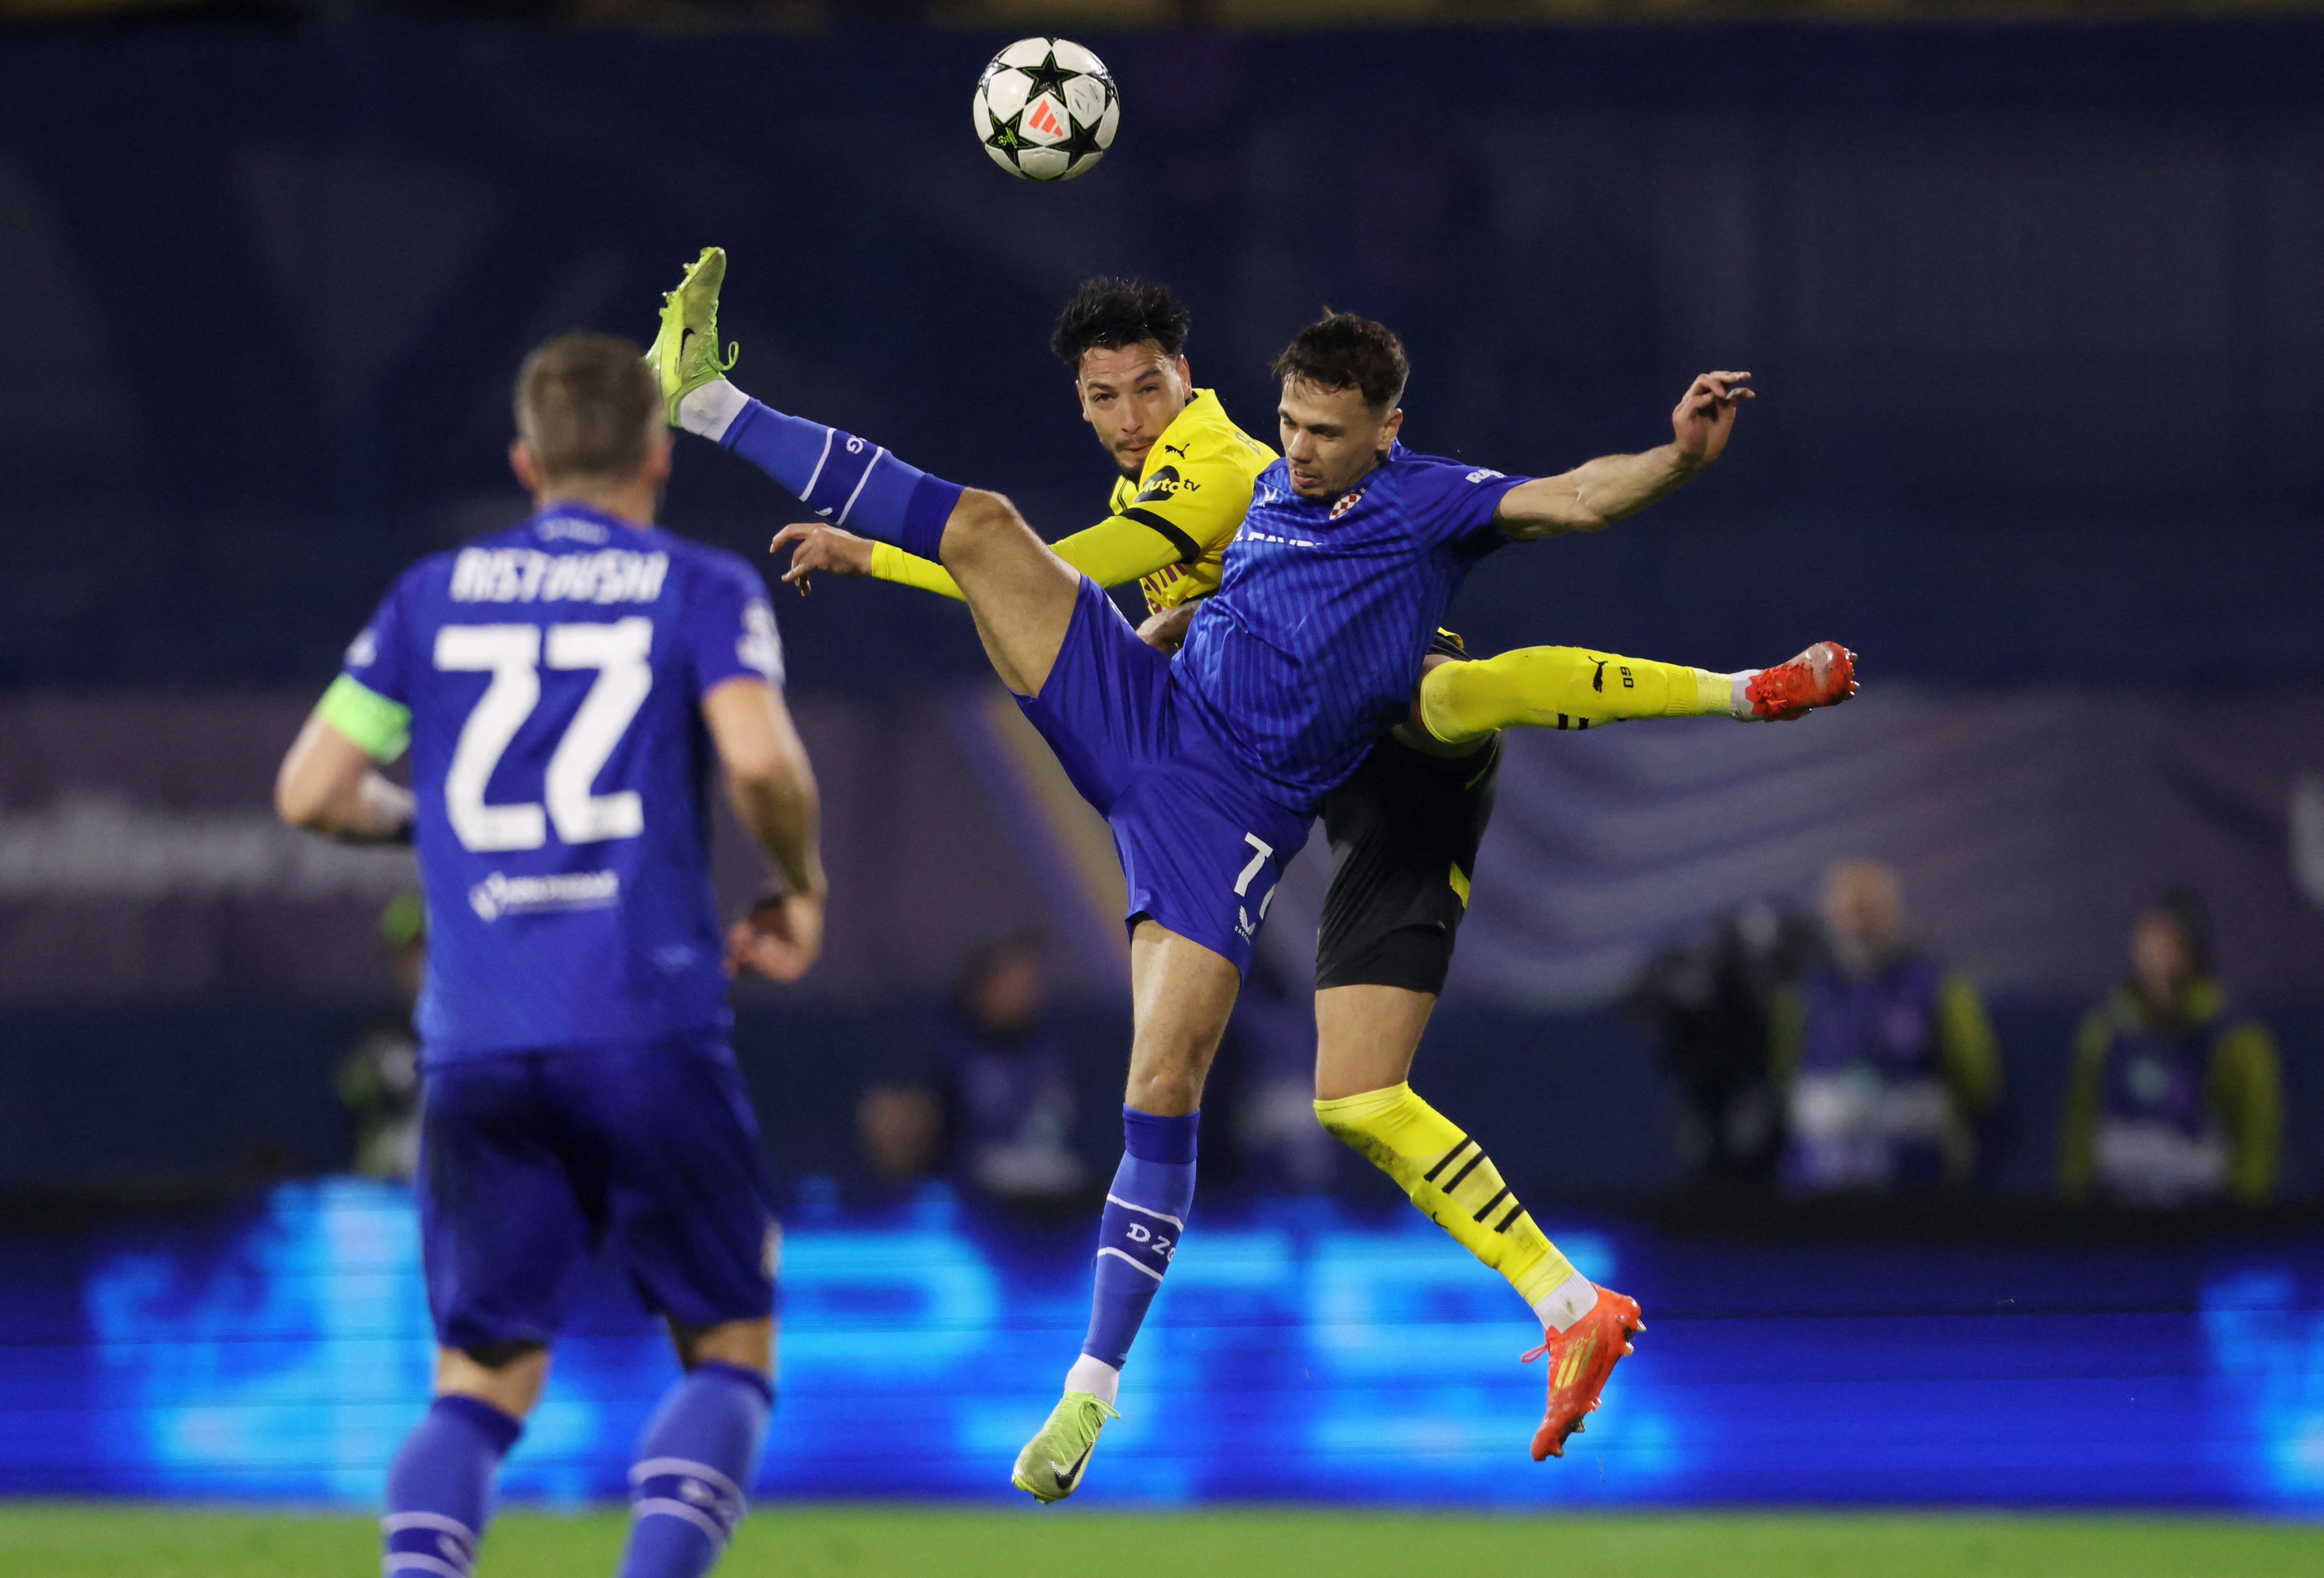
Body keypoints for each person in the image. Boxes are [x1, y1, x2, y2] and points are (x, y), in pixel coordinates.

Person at [650, 246, 1811, 1497]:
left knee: (1168, 1073)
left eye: (1323, 431)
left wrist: (1678, 456)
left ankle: (1086, 1390)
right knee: (984, 521)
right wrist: (1150, 620)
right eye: (1294, 424)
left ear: (1383, 429)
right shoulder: (1264, 491)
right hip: (1147, 717)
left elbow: (1576, 496)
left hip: (1230, 816)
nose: (1299, 450)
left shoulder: (1354, 492)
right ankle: (707, 400)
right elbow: (1081, 579)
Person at [275, 332, 825, 1578]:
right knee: (731, 1339)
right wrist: (800, 882)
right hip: (645, 1020)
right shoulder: (701, 584)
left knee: (477, 1381)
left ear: (525, 459)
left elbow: (310, 789)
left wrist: (425, 821)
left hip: (474, 1042)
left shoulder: (428, 594)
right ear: (654, 456)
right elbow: (757, 760)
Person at [1773, 861, 2000, 1192]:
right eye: (1847, 911)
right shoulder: (1804, 996)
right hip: (1820, 1191)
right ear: (1828, 913)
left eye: (1869, 910)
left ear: (1892, 912)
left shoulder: (1939, 989)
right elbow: (1784, 1076)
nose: (1858, 924)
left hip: (1917, 1190)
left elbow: (1980, 1086)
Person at [2058, 891, 2282, 1207]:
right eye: (2147, 940)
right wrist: (2076, 1203)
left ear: (2192, 953)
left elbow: (2257, 1137)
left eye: (2168, 943)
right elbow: (2080, 1125)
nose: (2154, 955)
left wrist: (2245, 1215)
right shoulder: (2103, 1030)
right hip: (2115, 1209)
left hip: (2203, 1214)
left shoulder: (2237, 1039)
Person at [338, 890, 429, 1182]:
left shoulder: (472, 1027)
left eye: (428, 951)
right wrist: (382, 1071)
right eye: (410, 955)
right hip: (387, 1197)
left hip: (453, 1191)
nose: (420, 966)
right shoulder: (380, 1031)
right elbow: (351, 1089)